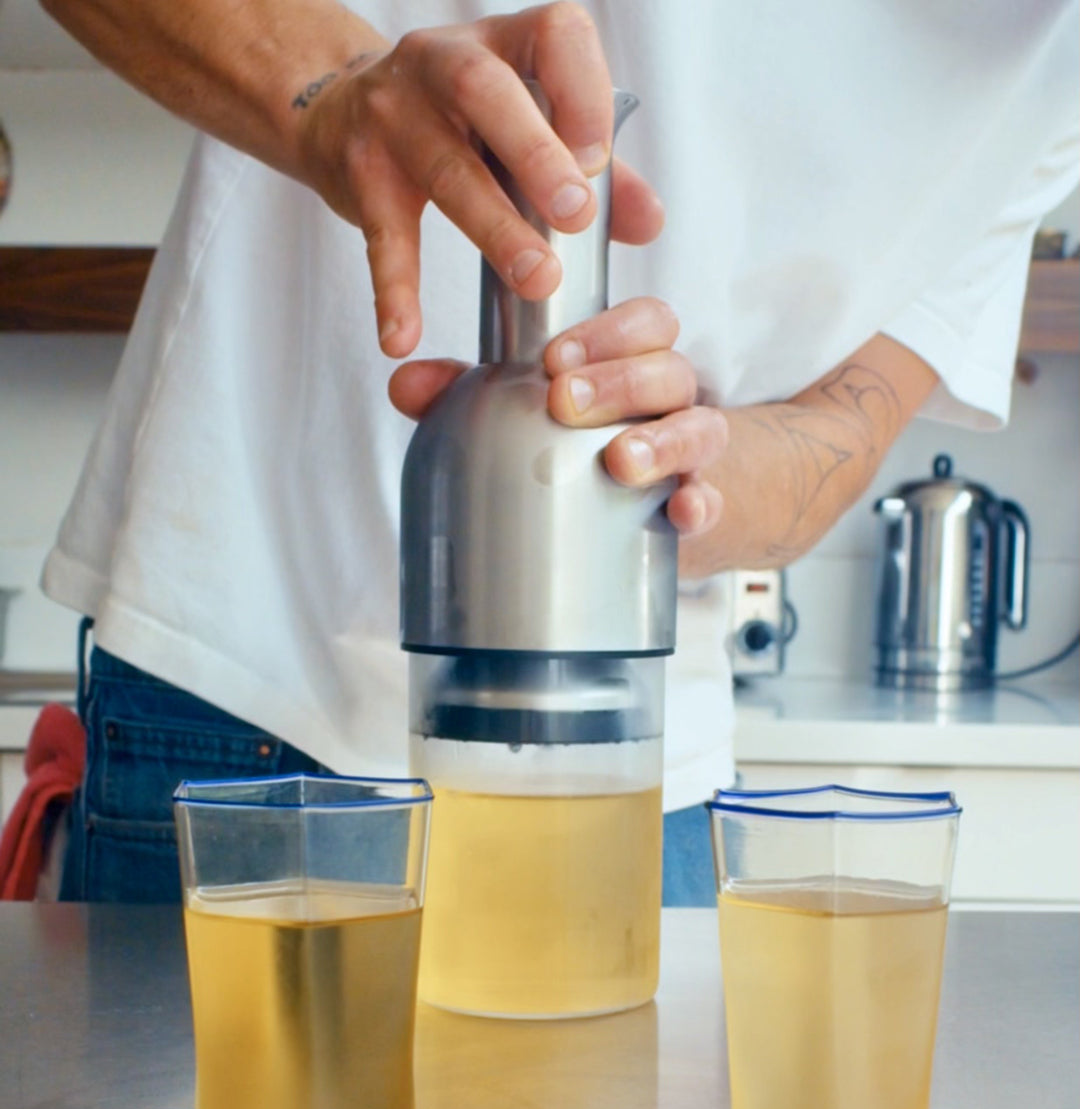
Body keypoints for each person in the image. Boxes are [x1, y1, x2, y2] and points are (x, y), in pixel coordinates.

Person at [38, 0, 1079, 905]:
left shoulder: (1057, 73)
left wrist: (682, 463)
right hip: (251, 690)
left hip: (640, 779)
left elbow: (844, 425)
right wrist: (332, 95)